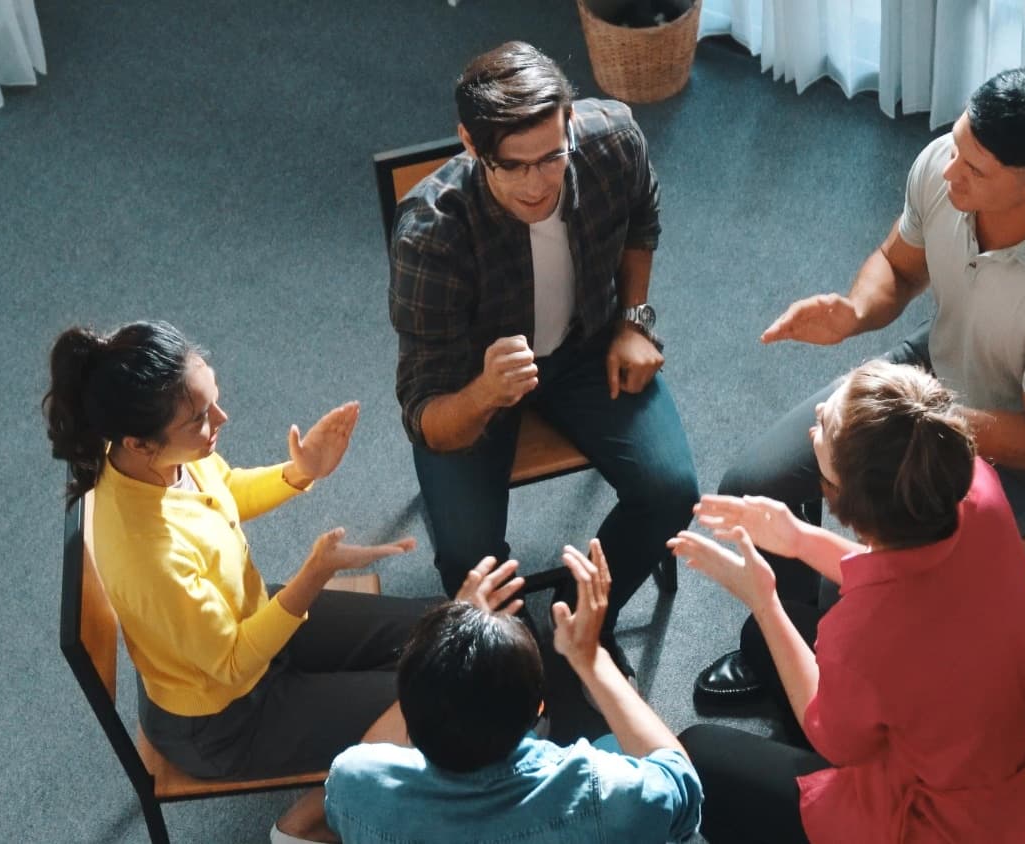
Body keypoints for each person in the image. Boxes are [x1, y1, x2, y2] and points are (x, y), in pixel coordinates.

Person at [696, 66, 1025, 702]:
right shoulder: (947, 166)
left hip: (1013, 456)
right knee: (754, 481)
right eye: (957, 145)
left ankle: (821, 678)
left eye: (976, 170)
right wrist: (853, 310)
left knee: (869, 583)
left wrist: (911, 419)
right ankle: (786, 646)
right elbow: (897, 270)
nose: (950, 169)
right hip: (929, 374)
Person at [44, 321, 468, 843]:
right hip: (224, 718)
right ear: (138, 441)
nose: (220, 419)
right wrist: (314, 576)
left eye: (213, 401)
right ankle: (302, 828)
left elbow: (225, 488)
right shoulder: (146, 555)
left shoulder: (161, 460)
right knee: (441, 704)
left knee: (444, 630)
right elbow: (231, 663)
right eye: (200, 417)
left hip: (248, 624)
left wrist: (299, 471)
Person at [671, 361, 1025, 843]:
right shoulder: (974, 488)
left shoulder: (865, 631)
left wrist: (764, 601)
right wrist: (799, 537)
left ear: (845, 501)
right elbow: (900, 569)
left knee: (695, 754)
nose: (820, 409)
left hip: (963, 823)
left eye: (825, 428)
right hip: (1016, 746)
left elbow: (832, 735)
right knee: (762, 642)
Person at [388, 40, 698, 675]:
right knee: (469, 560)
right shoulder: (431, 234)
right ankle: (513, 667)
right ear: (470, 146)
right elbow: (423, 415)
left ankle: (581, 623)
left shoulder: (611, 140)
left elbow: (643, 218)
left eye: (553, 156)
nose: (538, 184)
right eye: (514, 166)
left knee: (672, 492)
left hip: (588, 347)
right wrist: (484, 394)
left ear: (570, 123)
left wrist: (634, 319)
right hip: (475, 382)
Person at [324, 539, 704, 843]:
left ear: (407, 705)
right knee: (613, 745)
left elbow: (371, 752)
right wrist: (591, 659)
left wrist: (448, 639)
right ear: (539, 708)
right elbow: (681, 788)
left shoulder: (354, 783)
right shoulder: (603, 792)